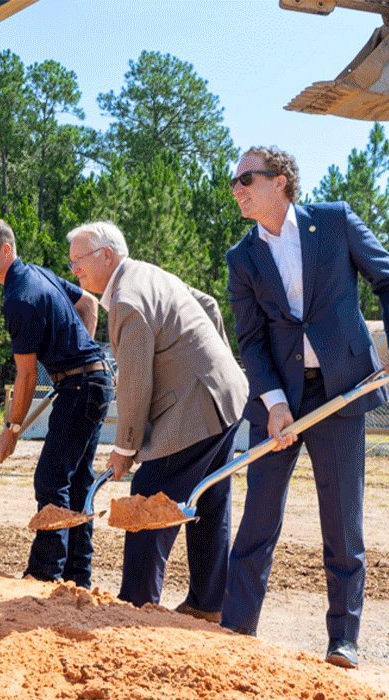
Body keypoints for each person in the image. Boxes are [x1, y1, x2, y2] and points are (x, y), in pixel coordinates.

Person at [222, 146, 389, 669]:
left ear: (280, 181)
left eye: (246, 178)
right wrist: (276, 404)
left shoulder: (333, 222)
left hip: (341, 389)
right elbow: (252, 340)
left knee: (342, 519)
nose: (236, 189)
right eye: (233, 181)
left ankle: (343, 640)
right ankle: (237, 627)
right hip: (279, 398)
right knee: (259, 513)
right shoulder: (242, 258)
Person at [64, 221, 248, 620]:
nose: (73, 269)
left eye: (79, 261)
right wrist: (215, 365)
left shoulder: (127, 301)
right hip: (226, 395)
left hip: (198, 407)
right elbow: (210, 305)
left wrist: (124, 449)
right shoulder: (151, 273)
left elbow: (134, 382)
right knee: (207, 497)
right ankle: (208, 603)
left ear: (106, 256)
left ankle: (138, 606)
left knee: (150, 493)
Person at [0, 218, 113, 588]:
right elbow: (89, 304)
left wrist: (11, 430)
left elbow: (27, 376)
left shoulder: (20, 298)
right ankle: (77, 576)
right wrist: (81, 350)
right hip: (90, 381)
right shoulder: (37, 274)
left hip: (82, 386)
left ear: (6, 249)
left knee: (51, 478)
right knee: (77, 480)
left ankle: (45, 573)